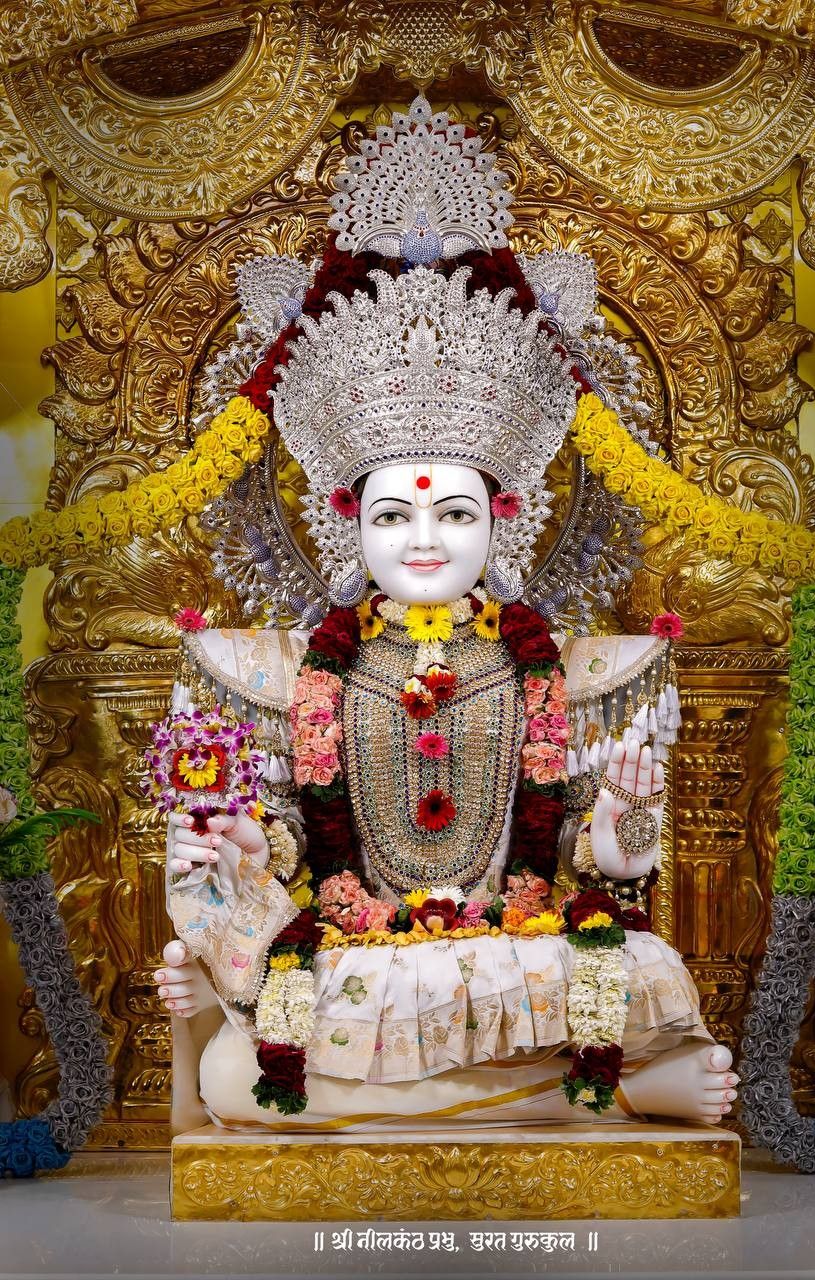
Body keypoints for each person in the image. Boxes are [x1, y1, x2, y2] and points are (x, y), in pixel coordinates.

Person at [151, 98, 738, 1134]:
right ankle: (588, 1101)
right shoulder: (284, 668)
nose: (424, 535)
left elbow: (606, 869)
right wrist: (242, 841)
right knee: (242, 1068)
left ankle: (528, 1090)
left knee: (634, 963)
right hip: (350, 958)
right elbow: (275, 865)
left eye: (454, 508)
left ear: (505, 519)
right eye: (395, 511)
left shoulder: (563, 669)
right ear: (349, 525)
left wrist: (622, 822)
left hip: (520, 946)